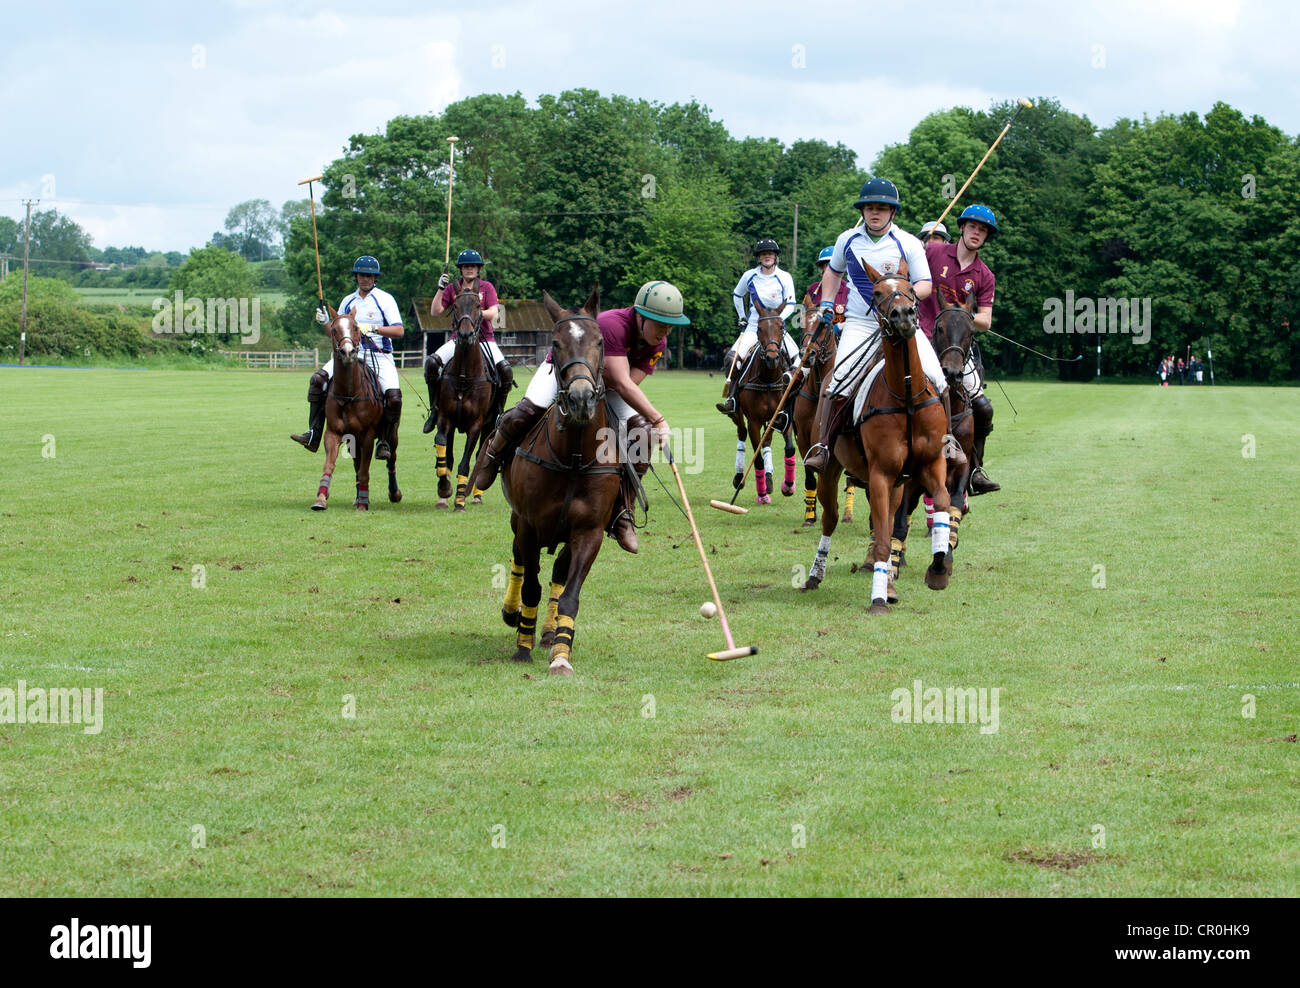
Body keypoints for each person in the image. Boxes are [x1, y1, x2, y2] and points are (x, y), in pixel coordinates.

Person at [470, 281, 689, 553]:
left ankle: (623, 513)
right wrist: (658, 418)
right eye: (659, 323)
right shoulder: (612, 325)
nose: (665, 331)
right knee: (526, 411)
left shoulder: (658, 342)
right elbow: (622, 381)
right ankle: (492, 456)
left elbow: (630, 383)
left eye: (669, 326)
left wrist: (646, 422)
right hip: (562, 371)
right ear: (640, 316)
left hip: (602, 386)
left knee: (641, 434)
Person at [802, 178, 963, 473]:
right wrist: (826, 301)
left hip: (902, 324)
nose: (875, 213)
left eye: (882, 208)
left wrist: (900, 300)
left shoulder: (909, 243)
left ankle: (949, 443)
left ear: (893, 212)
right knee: (837, 381)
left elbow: (925, 284)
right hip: (861, 324)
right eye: (870, 208)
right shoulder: (846, 240)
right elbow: (833, 274)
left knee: (938, 378)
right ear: (862, 210)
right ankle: (824, 447)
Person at [917, 204, 1000, 494]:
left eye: (983, 230)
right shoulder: (935, 252)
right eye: (973, 227)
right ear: (962, 228)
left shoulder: (984, 275)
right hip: (921, 335)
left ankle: (975, 469)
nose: (977, 233)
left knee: (983, 407)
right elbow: (911, 271)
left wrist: (959, 317)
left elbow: (986, 321)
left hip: (956, 349)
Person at [291, 255, 404, 459]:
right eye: (362, 275)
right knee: (317, 380)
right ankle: (314, 434)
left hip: (378, 354)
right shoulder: (347, 301)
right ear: (356, 276)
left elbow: (399, 331)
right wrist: (325, 321)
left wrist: (374, 328)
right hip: (347, 356)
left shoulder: (385, 299)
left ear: (375, 278)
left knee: (394, 397)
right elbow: (334, 332)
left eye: (369, 276)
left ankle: (385, 441)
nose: (365, 279)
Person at [422, 249, 512, 432]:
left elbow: (494, 313)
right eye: (465, 266)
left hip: (484, 340)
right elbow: (435, 311)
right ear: (461, 269)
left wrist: (472, 314)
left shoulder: (487, 287)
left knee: (506, 371)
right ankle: (434, 409)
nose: (469, 269)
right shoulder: (452, 288)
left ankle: (498, 412)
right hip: (458, 340)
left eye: (473, 266)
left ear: (478, 269)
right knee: (431, 363)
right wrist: (440, 289)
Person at [716, 238, 801, 416]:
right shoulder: (749, 276)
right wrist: (741, 317)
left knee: (798, 360)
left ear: (776, 256)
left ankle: (792, 405)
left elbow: (791, 304)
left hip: (777, 330)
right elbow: (737, 295)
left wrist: (777, 320)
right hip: (755, 328)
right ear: (759, 258)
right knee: (731, 359)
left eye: (770, 253)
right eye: (763, 254)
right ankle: (732, 399)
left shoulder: (784, 277)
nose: (767, 256)